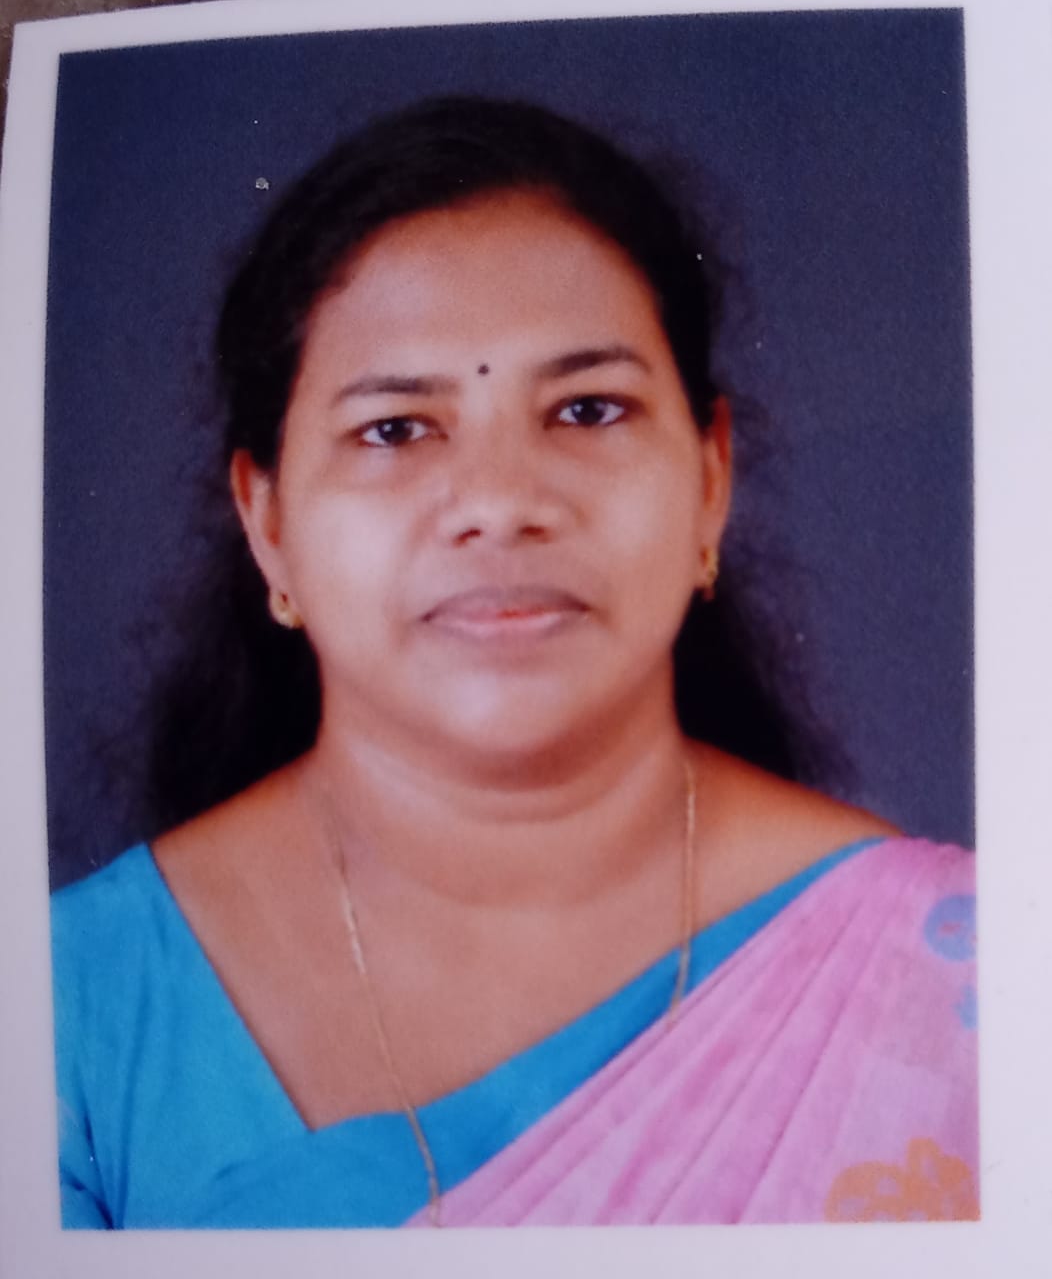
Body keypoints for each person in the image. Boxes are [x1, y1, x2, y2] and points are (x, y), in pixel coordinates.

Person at [50, 97, 977, 1229]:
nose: (498, 502)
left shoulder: (966, 979)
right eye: (395, 428)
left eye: (587, 409)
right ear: (269, 521)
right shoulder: (63, 1010)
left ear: (709, 479)